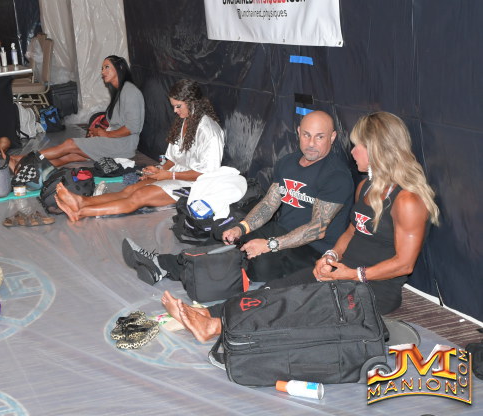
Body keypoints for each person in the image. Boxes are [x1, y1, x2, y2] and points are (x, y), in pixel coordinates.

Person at [160, 111, 440, 341]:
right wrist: (331, 256)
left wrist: (353, 275)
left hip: (374, 289)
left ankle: (215, 327)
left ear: (379, 150)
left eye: (359, 146)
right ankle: (208, 314)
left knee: (296, 304)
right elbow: (351, 231)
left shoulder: (408, 200)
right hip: (341, 271)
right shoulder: (366, 186)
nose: (353, 151)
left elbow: (404, 264)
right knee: (275, 289)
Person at [122, 109, 353, 284]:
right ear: (298, 133)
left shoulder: (336, 175)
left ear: (332, 137)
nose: (311, 144)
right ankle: (164, 264)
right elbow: (269, 204)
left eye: (320, 137)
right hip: (281, 232)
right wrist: (242, 228)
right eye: (307, 135)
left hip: (312, 249)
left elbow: (316, 229)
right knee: (227, 236)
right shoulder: (288, 163)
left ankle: (166, 267)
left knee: (256, 265)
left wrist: (269, 245)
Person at [56, 79, 223, 221]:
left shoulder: (209, 131)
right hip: (175, 175)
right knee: (130, 189)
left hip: (196, 186)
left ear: (193, 102)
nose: (175, 111)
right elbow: (173, 159)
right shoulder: (184, 121)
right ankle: (81, 201)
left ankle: (80, 212)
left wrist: (169, 175)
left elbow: (207, 173)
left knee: (138, 196)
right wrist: (158, 171)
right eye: (173, 106)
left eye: (178, 106)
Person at [11, 55, 144, 181]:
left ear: (120, 68)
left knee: (70, 144)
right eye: (102, 68)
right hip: (116, 141)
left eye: (107, 67)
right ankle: (25, 168)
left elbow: (132, 127)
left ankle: (20, 159)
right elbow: (117, 125)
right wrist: (99, 132)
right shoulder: (120, 92)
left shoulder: (130, 92)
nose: (103, 72)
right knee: (70, 156)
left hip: (123, 146)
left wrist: (105, 135)